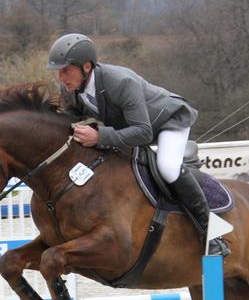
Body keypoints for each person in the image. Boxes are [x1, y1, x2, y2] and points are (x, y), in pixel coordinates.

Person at [46, 33, 229, 256]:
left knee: (168, 167)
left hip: (168, 121)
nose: (60, 77)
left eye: (66, 70)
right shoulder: (72, 88)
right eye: (58, 71)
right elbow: (69, 120)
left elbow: (143, 132)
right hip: (134, 127)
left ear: (86, 66)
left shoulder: (120, 82)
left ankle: (210, 234)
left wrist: (100, 137)